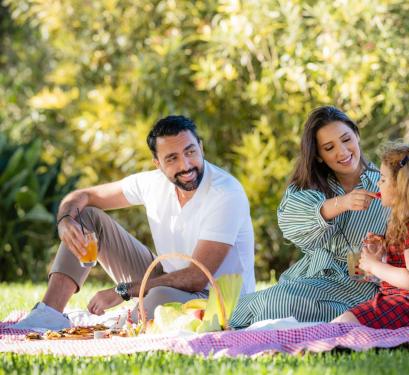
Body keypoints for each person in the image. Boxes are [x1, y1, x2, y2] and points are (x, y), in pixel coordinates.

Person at [13, 115, 255, 330]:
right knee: (85, 216)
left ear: (201, 148)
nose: (185, 165)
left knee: (159, 298)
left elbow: (196, 277)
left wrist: (125, 290)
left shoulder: (225, 193)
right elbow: (83, 196)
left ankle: (132, 315)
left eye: (190, 152)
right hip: (167, 276)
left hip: (218, 297)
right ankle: (50, 313)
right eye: (172, 158)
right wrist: (65, 220)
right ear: (157, 164)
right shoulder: (152, 183)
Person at [230, 106, 390, 328]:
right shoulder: (312, 186)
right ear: (319, 155)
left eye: (346, 139)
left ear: (356, 134)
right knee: (258, 302)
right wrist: (342, 203)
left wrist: (379, 256)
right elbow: (290, 221)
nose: (342, 152)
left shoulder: (387, 184)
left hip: (361, 285)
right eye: (329, 147)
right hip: (311, 279)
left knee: (280, 304)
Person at [333, 143, 409, 328]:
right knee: (345, 319)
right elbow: (404, 267)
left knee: (345, 322)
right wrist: (380, 254)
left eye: (383, 179)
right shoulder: (404, 221)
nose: (377, 184)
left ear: (401, 186)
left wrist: (374, 266)